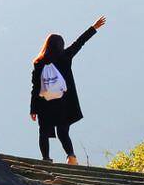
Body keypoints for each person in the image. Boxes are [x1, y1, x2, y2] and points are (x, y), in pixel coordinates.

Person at [29, 16, 106, 165]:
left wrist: (33, 108)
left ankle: (46, 159)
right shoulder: (65, 56)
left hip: (45, 103)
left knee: (44, 131)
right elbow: (79, 42)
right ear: (60, 45)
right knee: (63, 131)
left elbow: (35, 87)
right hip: (64, 102)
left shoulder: (38, 63)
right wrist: (94, 27)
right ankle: (71, 157)